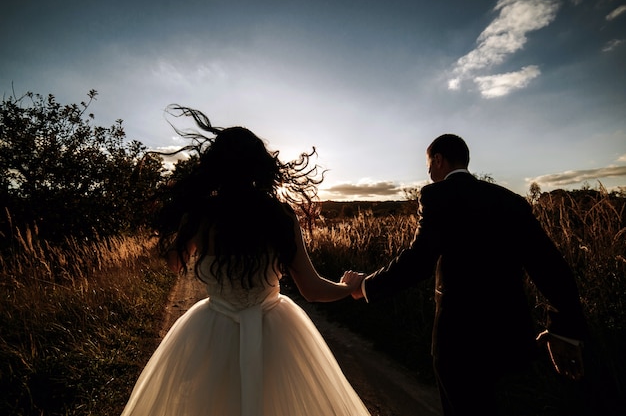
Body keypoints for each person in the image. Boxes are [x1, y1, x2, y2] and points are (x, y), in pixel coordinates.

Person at [121, 106, 370, 416]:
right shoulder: (279, 215)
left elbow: (174, 263)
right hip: (274, 331)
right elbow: (313, 289)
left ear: (215, 167)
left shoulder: (202, 215)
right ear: (259, 167)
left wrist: (186, 219)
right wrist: (350, 286)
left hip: (213, 328)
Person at [343, 134, 587, 416]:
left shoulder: (436, 196)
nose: (429, 171)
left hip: (459, 343)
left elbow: (418, 262)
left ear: (438, 159)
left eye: (428, 164)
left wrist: (366, 285)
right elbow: (550, 265)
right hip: (510, 340)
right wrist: (565, 329)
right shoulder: (510, 201)